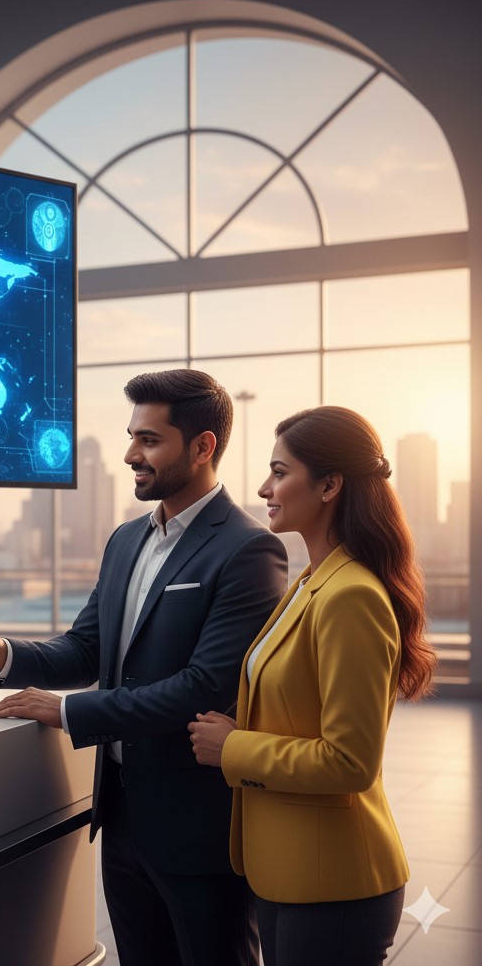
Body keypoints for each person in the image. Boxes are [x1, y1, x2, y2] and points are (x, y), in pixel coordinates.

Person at [0, 369, 288, 966]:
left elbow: (204, 687)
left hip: (197, 825)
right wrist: (3, 652)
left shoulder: (248, 548)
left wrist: (69, 710)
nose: (132, 453)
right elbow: (85, 649)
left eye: (150, 440)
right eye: (132, 436)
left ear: (203, 446)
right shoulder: (126, 540)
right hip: (121, 814)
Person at [188, 406, 437, 966]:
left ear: (329, 485)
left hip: (336, 887)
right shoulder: (310, 581)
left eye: (279, 472)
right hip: (289, 874)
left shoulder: (351, 595)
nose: (263, 487)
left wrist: (233, 748)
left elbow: (350, 762)